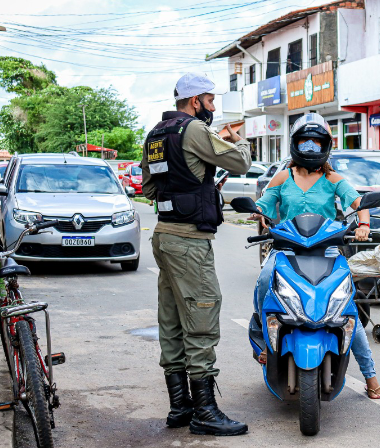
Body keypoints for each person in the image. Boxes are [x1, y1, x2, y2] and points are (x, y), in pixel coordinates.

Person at [141, 73, 251, 436]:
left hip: (164, 233)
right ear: (194, 102)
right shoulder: (194, 130)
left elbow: (148, 188)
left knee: (172, 319)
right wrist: (239, 141)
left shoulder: (155, 135)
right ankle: (204, 411)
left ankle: (180, 408)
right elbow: (240, 164)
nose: (214, 106)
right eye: (210, 99)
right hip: (188, 240)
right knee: (202, 313)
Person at [250, 113, 380, 399]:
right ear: (295, 144)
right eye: (305, 142)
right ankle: (264, 342)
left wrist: (364, 224)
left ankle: (370, 375)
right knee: (264, 281)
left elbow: (359, 202)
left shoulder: (333, 178)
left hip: (328, 251)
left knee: (346, 311)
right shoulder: (283, 176)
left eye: (316, 142)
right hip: (286, 250)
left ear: (325, 145)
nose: (310, 148)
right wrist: (258, 212)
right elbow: (264, 205)